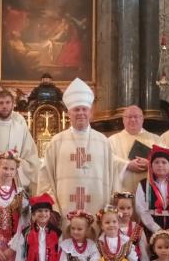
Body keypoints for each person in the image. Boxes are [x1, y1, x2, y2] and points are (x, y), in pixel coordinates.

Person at [37, 78, 124, 222]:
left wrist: (112, 209)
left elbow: (113, 176)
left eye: (84, 109)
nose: (81, 113)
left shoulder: (103, 141)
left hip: (98, 212)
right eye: (76, 109)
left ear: (90, 113)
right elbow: (45, 178)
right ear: (68, 113)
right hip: (64, 212)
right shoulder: (57, 142)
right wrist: (51, 208)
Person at [135, 145, 169, 240]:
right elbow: (141, 210)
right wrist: (156, 229)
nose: (160, 165)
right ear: (151, 165)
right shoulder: (143, 185)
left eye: (164, 162)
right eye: (156, 162)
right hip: (150, 230)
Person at [108, 106, 160, 197]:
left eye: (136, 116)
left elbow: (165, 161)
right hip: (123, 193)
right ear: (123, 120)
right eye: (129, 117)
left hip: (149, 192)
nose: (132, 120)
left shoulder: (156, 139)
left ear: (142, 119)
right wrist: (127, 165)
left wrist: (150, 164)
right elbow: (107, 159)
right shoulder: (112, 140)